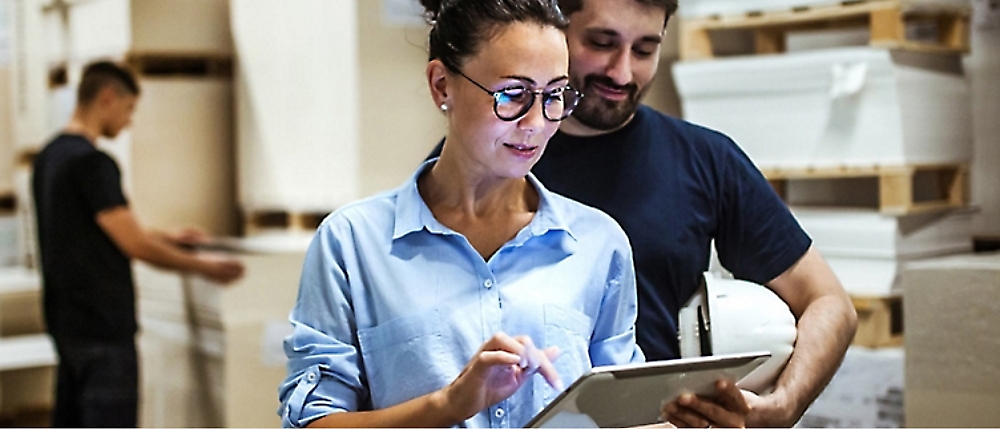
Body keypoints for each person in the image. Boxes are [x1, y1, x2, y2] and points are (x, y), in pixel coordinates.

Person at [430, 0, 859, 426]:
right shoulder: (485, 159)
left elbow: (828, 302)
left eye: (644, 50)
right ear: (554, 30)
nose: (621, 73)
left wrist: (784, 404)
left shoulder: (704, 159)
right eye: (601, 43)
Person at [277, 0, 651, 427]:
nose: (536, 123)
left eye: (554, 96)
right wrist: (450, 404)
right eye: (513, 95)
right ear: (442, 85)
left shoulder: (598, 243)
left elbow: (622, 415)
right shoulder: (353, 243)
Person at [31, 60, 245, 428]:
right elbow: (134, 244)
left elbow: (92, 229)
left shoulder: (50, 157)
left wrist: (167, 236)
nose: (129, 121)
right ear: (108, 98)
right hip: (103, 331)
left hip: (67, 327)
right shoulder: (93, 163)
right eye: (129, 109)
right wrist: (206, 267)